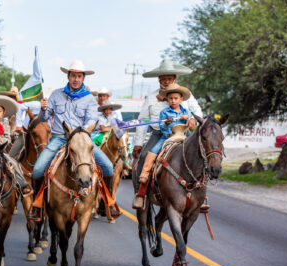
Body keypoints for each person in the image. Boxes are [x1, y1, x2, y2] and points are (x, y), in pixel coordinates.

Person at [28, 60, 117, 221]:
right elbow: (44, 118)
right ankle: (38, 205)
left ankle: (107, 203)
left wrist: (78, 134)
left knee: (108, 167)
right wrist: (43, 109)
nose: (76, 79)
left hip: (81, 141)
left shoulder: (89, 99)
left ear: (83, 78)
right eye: (73, 75)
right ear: (68, 76)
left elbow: (91, 122)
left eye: (79, 76)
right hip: (59, 138)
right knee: (38, 170)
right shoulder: (56, 94)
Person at [132, 59, 207, 210]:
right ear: (159, 79)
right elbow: (142, 120)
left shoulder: (186, 94)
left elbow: (197, 110)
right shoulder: (151, 97)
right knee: (145, 155)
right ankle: (140, 193)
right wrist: (138, 143)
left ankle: (201, 195)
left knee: (200, 157)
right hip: (159, 134)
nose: (166, 81)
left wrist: (193, 119)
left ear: (175, 78)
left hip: (182, 134)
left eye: (169, 79)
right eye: (163, 79)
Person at [133, 83, 192, 208]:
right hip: (167, 137)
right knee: (152, 151)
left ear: (181, 99)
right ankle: (144, 176)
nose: (173, 101)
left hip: (182, 137)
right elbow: (162, 127)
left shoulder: (186, 111)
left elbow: (191, 124)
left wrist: (190, 120)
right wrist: (167, 123)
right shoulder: (164, 112)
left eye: (176, 98)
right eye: (171, 98)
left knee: (196, 153)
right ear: (167, 99)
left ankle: (199, 190)